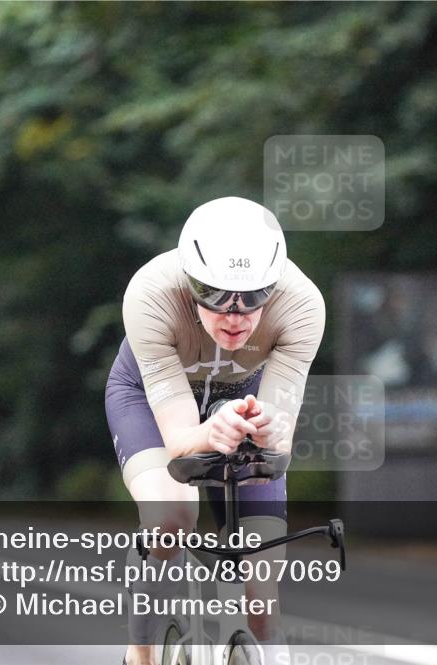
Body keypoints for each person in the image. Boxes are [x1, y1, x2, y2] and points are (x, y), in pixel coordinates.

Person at [105, 196, 325, 665]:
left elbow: (277, 447)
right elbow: (182, 442)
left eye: (254, 298)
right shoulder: (150, 294)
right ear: (189, 281)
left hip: (243, 396)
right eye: (216, 294)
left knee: (261, 590)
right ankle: (140, 652)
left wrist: (266, 430)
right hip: (148, 398)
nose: (235, 315)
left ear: (275, 285)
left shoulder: (302, 305)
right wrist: (208, 432)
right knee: (171, 519)